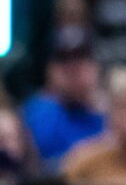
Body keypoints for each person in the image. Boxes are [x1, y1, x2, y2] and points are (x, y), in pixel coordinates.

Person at [21, 28, 104, 162]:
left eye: (81, 58)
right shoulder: (34, 116)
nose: (73, 68)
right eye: (63, 59)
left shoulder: (113, 114)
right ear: (49, 70)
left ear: (96, 67)